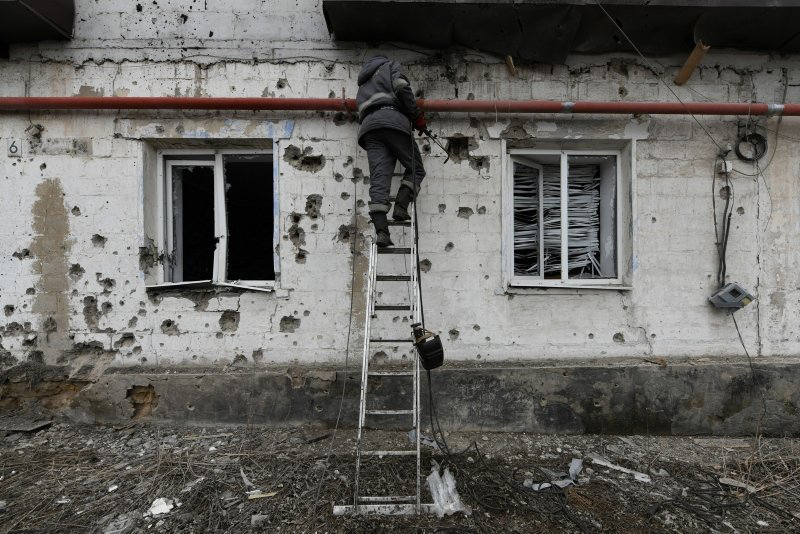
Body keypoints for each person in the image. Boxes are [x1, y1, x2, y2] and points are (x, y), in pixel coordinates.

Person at [356, 55, 427, 247]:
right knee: (416, 169)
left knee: (379, 180)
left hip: (370, 130)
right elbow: (401, 87)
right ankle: (401, 208)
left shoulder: (362, 84)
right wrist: (416, 116)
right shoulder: (389, 65)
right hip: (393, 121)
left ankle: (382, 232)